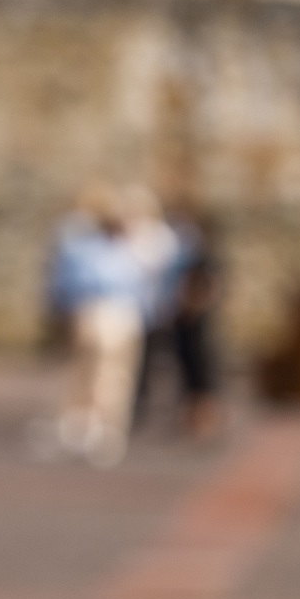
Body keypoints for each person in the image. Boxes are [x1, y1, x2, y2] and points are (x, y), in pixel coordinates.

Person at [47, 189, 146, 468]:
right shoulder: (89, 250)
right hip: (97, 313)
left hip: (119, 316)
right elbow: (70, 286)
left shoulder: (128, 251)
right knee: (88, 375)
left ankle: (105, 429)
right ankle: (83, 428)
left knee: (115, 378)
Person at [121, 185, 183, 432]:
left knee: (150, 360)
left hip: (153, 307)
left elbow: (166, 271)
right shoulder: (125, 234)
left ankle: (143, 404)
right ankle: (129, 405)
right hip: (130, 306)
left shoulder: (160, 236)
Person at [170, 211, 225, 440]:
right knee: (188, 368)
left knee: (202, 370)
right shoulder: (186, 257)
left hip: (197, 322)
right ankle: (194, 417)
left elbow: (211, 287)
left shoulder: (204, 259)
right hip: (186, 322)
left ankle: (205, 419)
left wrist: (195, 305)